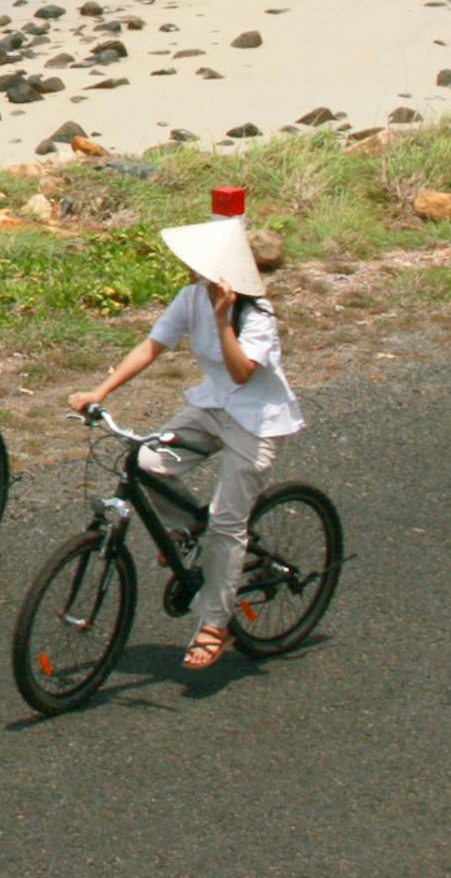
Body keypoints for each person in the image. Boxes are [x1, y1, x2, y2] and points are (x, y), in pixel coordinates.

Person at [67, 211, 303, 669]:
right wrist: (99, 392)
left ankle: (215, 624)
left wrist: (221, 321)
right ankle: (191, 530)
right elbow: (152, 346)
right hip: (213, 405)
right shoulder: (189, 296)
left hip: (254, 422)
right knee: (145, 463)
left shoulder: (257, 314)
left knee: (229, 525)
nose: (191, 270)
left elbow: (240, 371)